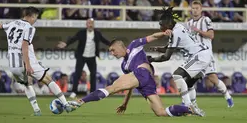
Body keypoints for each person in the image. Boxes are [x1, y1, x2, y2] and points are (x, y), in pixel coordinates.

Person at [69, 32, 201, 117]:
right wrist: (125, 103)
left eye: (113, 50)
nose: (112, 54)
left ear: (121, 47)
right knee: (160, 112)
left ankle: (80, 101)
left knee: (112, 88)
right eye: (110, 52)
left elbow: (153, 37)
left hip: (142, 73)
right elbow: (130, 86)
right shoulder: (124, 65)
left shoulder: (134, 45)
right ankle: (187, 109)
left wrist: (165, 33)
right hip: (147, 83)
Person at [0, 6, 75, 116]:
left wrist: (1, 26)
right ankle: (66, 104)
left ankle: (37, 110)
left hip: (13, 65)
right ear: (30, 16)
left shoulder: (12, 24)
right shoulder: (29, 28)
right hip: (25, 61)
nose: (35, 20)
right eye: (35, 17)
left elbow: (0, 25)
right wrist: (28, 64)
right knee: (48, 80)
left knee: (27, 84)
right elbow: (24, 45)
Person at [148, 7, 211, 117]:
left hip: (199, 55)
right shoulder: (179, 27)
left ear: (168, 23)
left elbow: (166, 57)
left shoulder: (176, 32)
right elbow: (169, 48)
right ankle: (193, 106)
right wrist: (157, 49)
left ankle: (188, 106)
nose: (161, 27)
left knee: (177, 75)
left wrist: (151, 60)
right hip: (205, 54)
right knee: (188, 83)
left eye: (161, 24)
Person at [186, 0, 234, 107]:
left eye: (197, 8)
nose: (194, 10)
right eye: (193, 8)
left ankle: (228, 96)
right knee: (188, 80)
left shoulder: (206, 20)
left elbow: (211, 35)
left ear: (201, 9)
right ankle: (191, 104)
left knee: (213, 79)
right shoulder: (188, 23)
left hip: (206, 55)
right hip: (194, 56)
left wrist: (198, 31)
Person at [57, 18, 110, 98]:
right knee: (77, 74)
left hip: (92, 57)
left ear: (94, 25)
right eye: (89, 23)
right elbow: (73, 39)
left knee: (93, 74)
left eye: (92, 23)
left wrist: (112, 44)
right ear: (86, 24)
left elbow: (104, 40)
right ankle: (74, 92)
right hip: (81, 56)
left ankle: (92, 93)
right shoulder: (81, 32)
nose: (90, 25)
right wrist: (66, 44)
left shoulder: (97, 33)